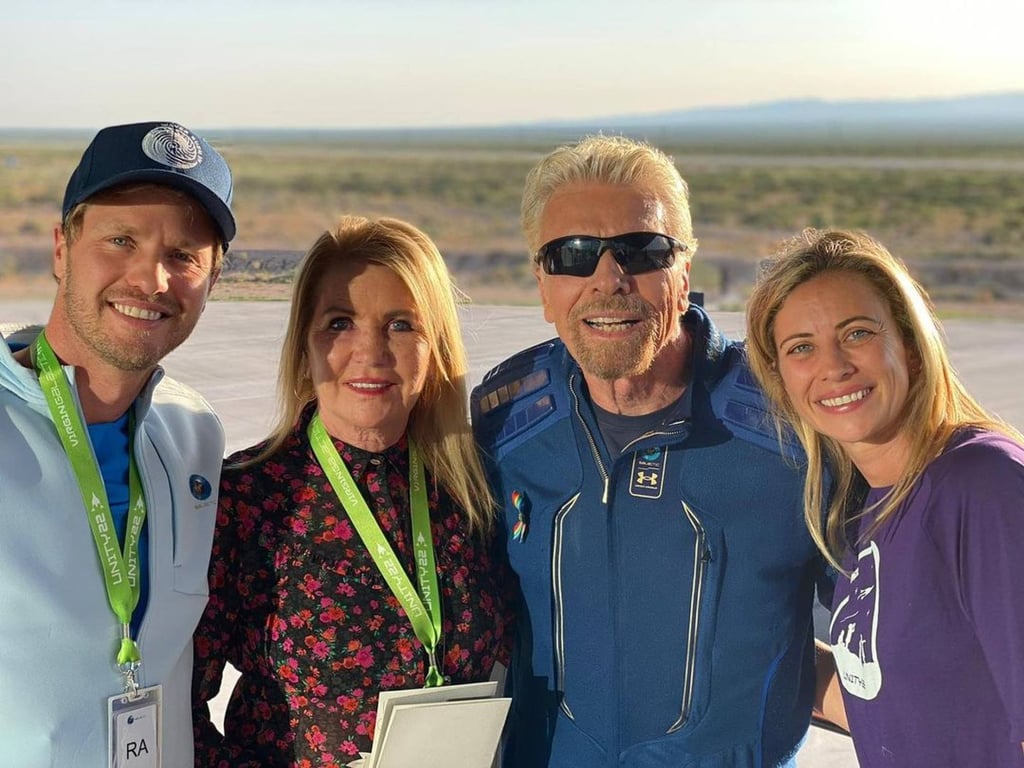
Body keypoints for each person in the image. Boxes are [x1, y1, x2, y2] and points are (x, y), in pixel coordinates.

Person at [470, 135, 826, 768]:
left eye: (642, 250)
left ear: (684, 272)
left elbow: (889, 638)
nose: (609, 279)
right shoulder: (504, 424)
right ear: (542, 283)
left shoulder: (792, 432)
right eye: (572, 255)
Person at [192, 215, 514, 767]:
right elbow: (183, 713)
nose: (371, 353)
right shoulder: (247, 500)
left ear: (435, 345)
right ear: (305, 345)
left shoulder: (474, 492)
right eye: (340, 323)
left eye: (401, 325)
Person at [744, 228, 1024, 767]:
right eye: (801, 347)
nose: (834, 366)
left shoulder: (980, 486)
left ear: (912, 347)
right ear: (781, 381)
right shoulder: (860, 511)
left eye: (857, 334)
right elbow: (898, 704)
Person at [0, 121, 234, 765]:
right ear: (61, 249)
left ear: (212, 279)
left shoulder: (194, 434)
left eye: (183, 255)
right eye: (121, 240)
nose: (151, 279)